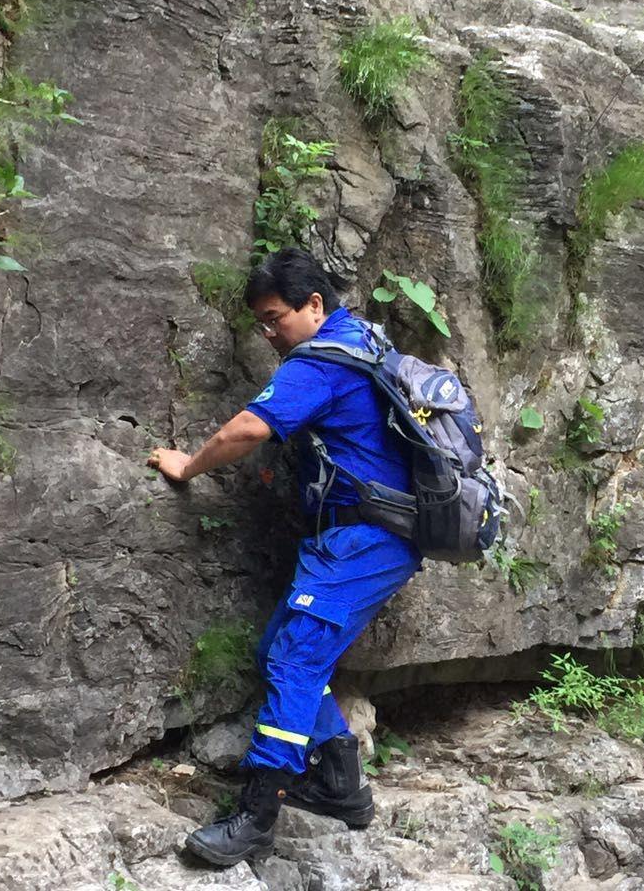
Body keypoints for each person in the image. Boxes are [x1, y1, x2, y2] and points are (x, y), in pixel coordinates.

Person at [148, 247, 421, 866]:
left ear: (314, 305)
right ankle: (340, 785)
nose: (270, 334)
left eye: (276, 318)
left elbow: (248, 429)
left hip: (364, 538)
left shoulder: (319, 363)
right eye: (262, 324)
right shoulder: (362, 338)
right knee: (280, 648)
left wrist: (186, 465)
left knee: (295, 659)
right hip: (368, 536)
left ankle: (255, 816)